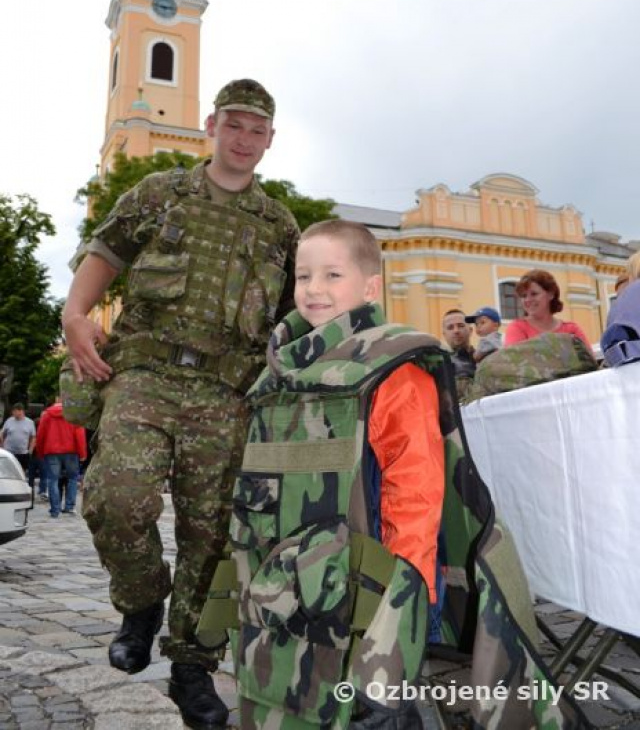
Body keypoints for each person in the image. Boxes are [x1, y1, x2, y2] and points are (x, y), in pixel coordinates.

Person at [61, 79, 299, 729]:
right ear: (212, 125)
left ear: (270, 140)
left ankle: (192, 663)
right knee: (115, 498)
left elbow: (290, 320)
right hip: (145, 373)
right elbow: (104, 251)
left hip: (227, 394)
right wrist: (75, 313)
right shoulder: (160, 192)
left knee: (213, 533)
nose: (245, 139)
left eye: (258, 130)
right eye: (235, 125)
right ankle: (140, 600)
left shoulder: (279, 226)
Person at [224, 220, 445, 728]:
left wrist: (402, 606)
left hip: (368, 588)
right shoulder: (280, 373)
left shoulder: (394, 366)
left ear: (370, 287)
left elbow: (416, 491)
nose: (314, 289)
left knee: (374, 711)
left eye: (332, 275)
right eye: (304, 276)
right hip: (286, 589)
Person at [504, 269, 593, 353]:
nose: (527, 300)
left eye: (534, 294)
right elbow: (515, 363)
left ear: (551, 294)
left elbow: (590, 361)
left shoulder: (571, 329)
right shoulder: (517, 328)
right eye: (523, 296)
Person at [35, 398, 87, 518]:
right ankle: (69, 507)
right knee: (73, 479)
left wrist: (40, 452)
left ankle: (55, 509)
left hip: (52, 451)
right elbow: (79, 435)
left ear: (56, 401)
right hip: (71, 451)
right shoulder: (73, 414)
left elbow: (40, 434)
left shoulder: (47, 415)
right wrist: (82, 453)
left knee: (52, 479)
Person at [0, 403, 35, 473]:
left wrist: (30, 450)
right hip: (9, 452)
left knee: (21, 472)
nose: (14, 413)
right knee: (8, 472)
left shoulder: (30, 422)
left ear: (21, 411)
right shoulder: (9, 421)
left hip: (23, 453)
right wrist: (2, 446)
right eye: (13, 411)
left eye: (15, 411)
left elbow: (33, 437)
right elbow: (2, 433)